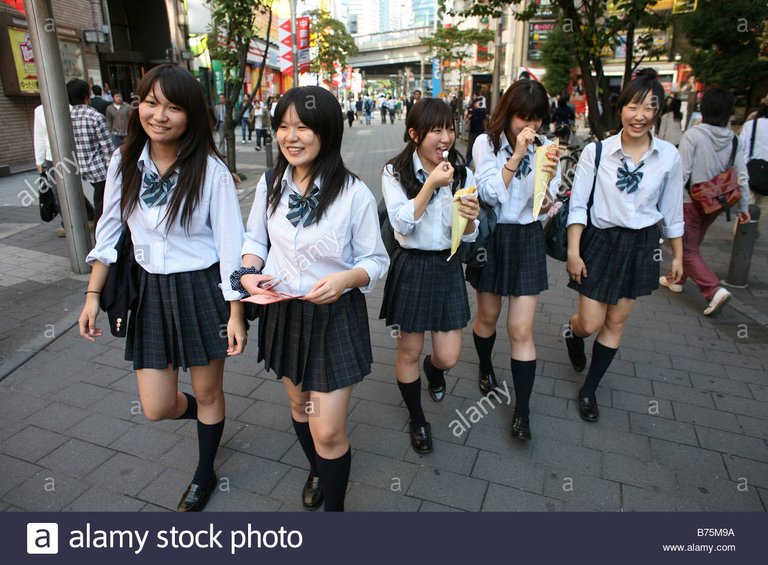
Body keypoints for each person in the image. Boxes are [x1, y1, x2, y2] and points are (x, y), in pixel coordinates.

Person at [78, 64, 246, 512]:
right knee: (155, 406)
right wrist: (93, 296)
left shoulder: (210, 171)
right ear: (139, 105)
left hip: (203, 290)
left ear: (191, 114)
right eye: (151, 102)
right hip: (150, 292)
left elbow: (231, 248)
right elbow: (110, 233)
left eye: (173, 107)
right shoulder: (123, 162)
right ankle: (207, 418)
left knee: (210, 391)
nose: (160, 115)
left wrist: (236, 314)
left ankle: (203, 471)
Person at [239, 86, 389, 512]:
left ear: (326, 132)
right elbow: (255, 239)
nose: (291, 136)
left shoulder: (353, 193)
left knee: (328, 431)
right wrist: (250, 274)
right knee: (298, 404)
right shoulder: (271, 184)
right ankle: (317, 469)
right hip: (283, 310)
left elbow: (376, 260)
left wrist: (345, 280)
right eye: (283, 127)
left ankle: (334, 512)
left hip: (335, 316)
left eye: (302, 127)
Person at [564, 70, 684, 423]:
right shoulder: (597, 152)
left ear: (658, 111)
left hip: (641, 244)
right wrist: (574, 251)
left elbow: (673, 210)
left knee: (615, 322)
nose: (640, 115)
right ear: (621, 108)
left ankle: (589, 390)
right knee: (589, 322)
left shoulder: (668, 157)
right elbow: (577, 204)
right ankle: (573, 334)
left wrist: (677, 254)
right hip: (601, 241)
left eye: (649, 107)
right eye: (634, 105)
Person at [380, 98, 480, 453]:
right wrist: (431, 185)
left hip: (447, 265)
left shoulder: (462, 172)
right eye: (436, 130)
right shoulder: (395, 172)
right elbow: (401, 224)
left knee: (449, 355)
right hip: (411, 265)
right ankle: (417, 419)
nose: (445, 138)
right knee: (408, 348)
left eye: (449, 129)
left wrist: (470, 216)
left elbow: (469, 235)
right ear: (414, 133)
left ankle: (433, 370)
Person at [466, 79, 560, 441]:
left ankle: (522, 413)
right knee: (487, 317)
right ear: (508, 114)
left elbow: (546, 202)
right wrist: (519, 153)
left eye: (537, 119)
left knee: (520, 329)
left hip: (527, 238)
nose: (530, 127)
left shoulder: (549, 146)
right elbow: (490, 193)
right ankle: (486, 366)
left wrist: (550, 196)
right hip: (494, 236)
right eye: (523, 118)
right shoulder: (485, 144)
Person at [662, 88, 751, 315]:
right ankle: (677, 280)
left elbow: (681, 173)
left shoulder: (693, 135)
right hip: (715, 203)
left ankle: (713, 290)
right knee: (692, 244)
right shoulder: (733, 139)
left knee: (687, 248)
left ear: (704, 108)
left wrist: (666, 201)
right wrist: (743, 206)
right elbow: (741, 174)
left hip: (689, 201)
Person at [67, 78, 113, 225]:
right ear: (87, 96)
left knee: (98, 197)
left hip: (77, 165)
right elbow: (107, 147)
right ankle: (100, 231)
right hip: (99, 168)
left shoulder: (65, 118)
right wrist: (114, 168)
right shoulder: (95, 117)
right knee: (102, 201)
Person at [739, 94, 768, 224]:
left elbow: (741, 148)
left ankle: (741, 238)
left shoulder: (752, 124)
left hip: (750, 171)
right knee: (762, 212)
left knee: (746, 210)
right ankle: (752, 236)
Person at [464, 96, 488, 167]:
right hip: (473, 131)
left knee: (481, 148)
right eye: (475, 103)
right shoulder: (471, 111)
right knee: (470, 148)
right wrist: (469, 116)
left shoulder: (482, 111)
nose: (476, 104)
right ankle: (468, 162)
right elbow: (466, 120)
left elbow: (484, 119)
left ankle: (479, 163)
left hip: (481, 132)